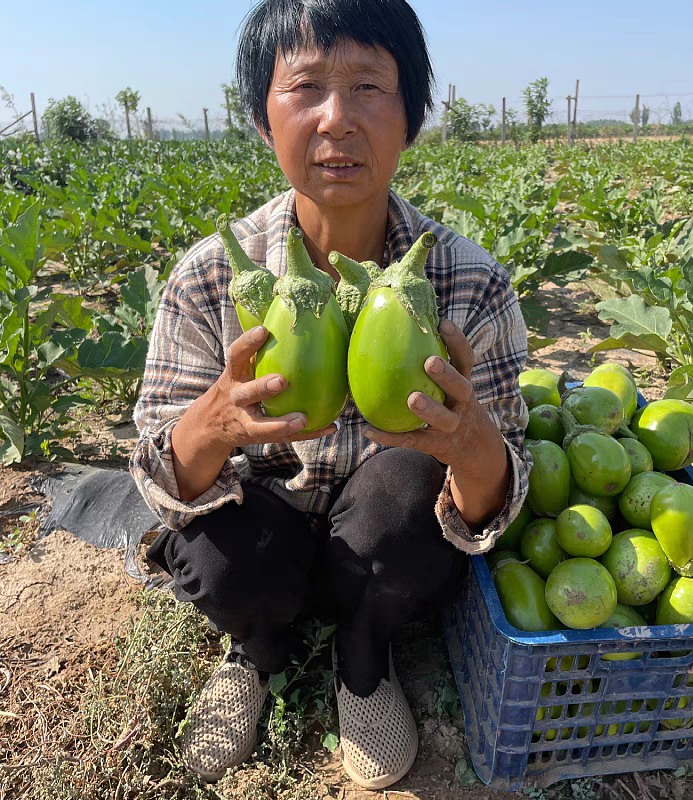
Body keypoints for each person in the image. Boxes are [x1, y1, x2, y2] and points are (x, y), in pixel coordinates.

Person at [129, 0, 530, 790]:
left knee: (407, 501)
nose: (337, 119)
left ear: (412, 116)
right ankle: (255, 652)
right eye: (305, 86)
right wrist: (208, 428)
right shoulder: (212, 275)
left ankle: (364, 659)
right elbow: (161, 479)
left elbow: (499, 494)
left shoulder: (470, 283)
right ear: (260, 117)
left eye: (370, 87)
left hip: (384, 545)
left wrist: (470, 444)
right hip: (264, 533)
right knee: (217, 550)